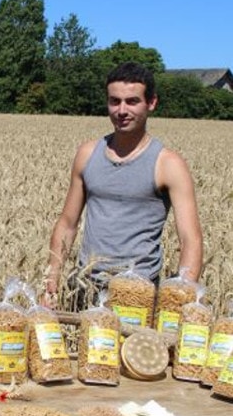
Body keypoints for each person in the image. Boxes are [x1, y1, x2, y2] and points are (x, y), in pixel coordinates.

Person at [44, 61, 203, 306]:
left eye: (132, 101)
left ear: (151, 103)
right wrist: (52, 278)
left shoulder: (168, 164)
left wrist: (180, 300)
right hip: (85, 290)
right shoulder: (88, 154)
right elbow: (67, 223)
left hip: (138, 295)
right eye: (114, 101)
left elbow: (190, 239)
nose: (121, 110)